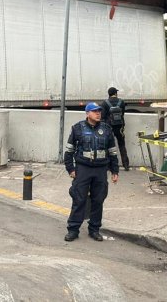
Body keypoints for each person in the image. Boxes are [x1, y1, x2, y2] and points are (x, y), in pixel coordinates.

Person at [63, 102, 119, 242]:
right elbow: (69, 151)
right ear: (87, 113)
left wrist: (114, 170)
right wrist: (71, 169)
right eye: (94, 111)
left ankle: (94, 229)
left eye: (99, 111)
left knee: (98, 200)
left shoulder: (106, 129)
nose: (98, 113)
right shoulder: (77, 128)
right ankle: (73, 229)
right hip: (83, 169)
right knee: (79, 199)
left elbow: (112, 152)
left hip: (100, 169)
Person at [101, 86, 129, 171]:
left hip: (109, 127)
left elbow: (103, 116)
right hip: (120, 127)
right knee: (122, 145)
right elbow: (122, 114)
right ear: (115, 93)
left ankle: (109, 166)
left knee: (108, 146)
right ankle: (126, 165)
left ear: (109, 94)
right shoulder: (121, 102)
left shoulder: (105, 103)